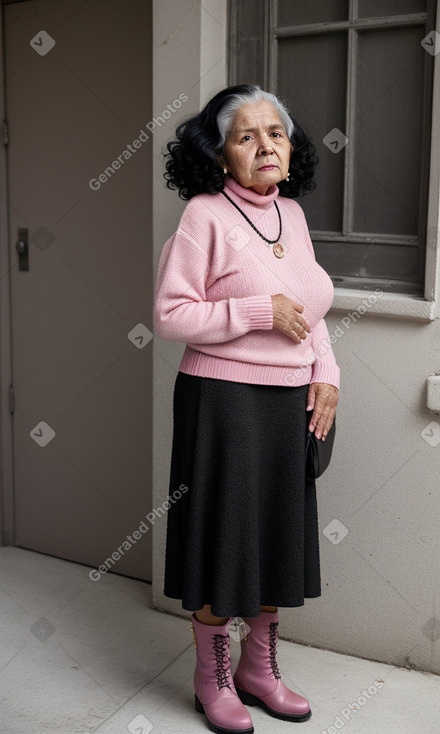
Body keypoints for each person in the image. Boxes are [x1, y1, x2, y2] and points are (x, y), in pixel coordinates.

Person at [153, 84, 340, 734]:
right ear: (220, 153)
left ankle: (259, 670)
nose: (265, 145)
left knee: (273, 541)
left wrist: (328, 372)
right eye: (245, 135)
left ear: (291, 151)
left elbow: (310, 315)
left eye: (276, 134)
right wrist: (256, 312)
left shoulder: (291, 214)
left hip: (289, 404)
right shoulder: (202, 216)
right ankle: (211, 678)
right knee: (223, 541)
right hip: (222, 403)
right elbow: (169, 315)